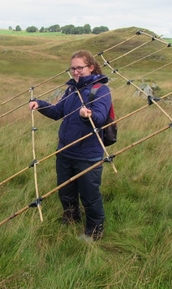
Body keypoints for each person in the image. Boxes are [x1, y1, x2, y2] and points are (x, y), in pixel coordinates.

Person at [29, 50, 112, 241]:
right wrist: (39, 104)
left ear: (90, 67)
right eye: (72, 68)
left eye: (79, 68)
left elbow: (99, 118)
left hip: (88, 154)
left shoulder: (100, 90)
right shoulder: (71, 90)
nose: (75, 72)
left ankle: (94, 232)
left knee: (90, 195)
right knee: (65, 190)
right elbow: (58, 112)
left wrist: (87, 115)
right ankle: (71, 218)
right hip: (65, 150)